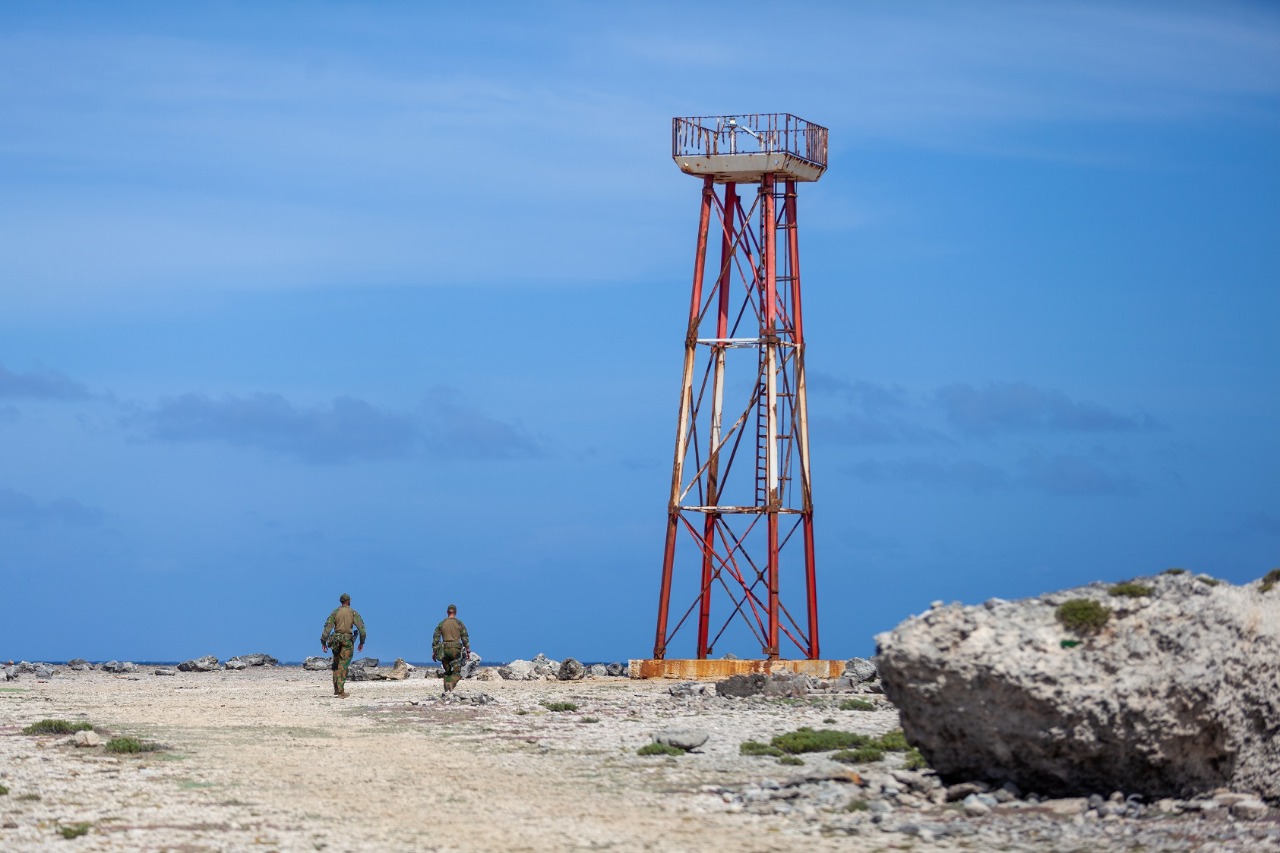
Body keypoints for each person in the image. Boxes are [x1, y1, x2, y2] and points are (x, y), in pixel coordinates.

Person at [320, 593, 366, 698]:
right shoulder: (353, 613)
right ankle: (341, 691)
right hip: (347, 642)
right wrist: (361, 642)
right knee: (343, 665)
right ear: (349, 601)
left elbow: (327, 628)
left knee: (336, 664)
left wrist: (323, 642)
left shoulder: (335, 612)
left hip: (335, 641)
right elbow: (362, 630)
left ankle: (336, 689)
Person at [432, 603, 470, 694]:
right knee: (456, 672)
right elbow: (465, 637)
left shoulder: (442, 623)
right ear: (455, 612)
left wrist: (434, 651)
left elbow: (436, 638)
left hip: (444, 650)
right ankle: (452, 684)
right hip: (455, 650)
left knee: (447, 671)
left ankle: (447, 690)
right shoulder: (459, 623)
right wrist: (468, 650)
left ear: (447, 612)